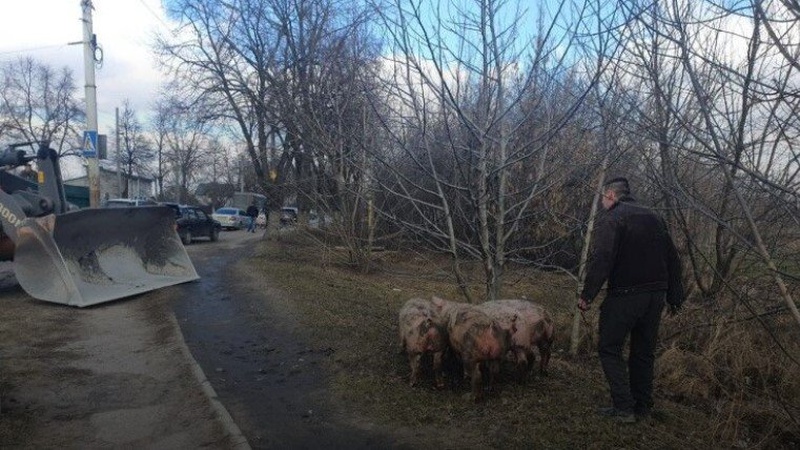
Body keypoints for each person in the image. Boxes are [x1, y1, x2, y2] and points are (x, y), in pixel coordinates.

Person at [578, 177, 684, 423]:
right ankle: (643, 408)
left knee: (608, 347)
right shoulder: (654, 217)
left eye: (603, 197)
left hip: (626, 295)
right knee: (643, 352)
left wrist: (587, 295)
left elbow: (603, 257)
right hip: (655, 296)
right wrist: (675, 295)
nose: (603, 202)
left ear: (611, 196)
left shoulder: (614, 218)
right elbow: (673, 258)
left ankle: (624, 408)